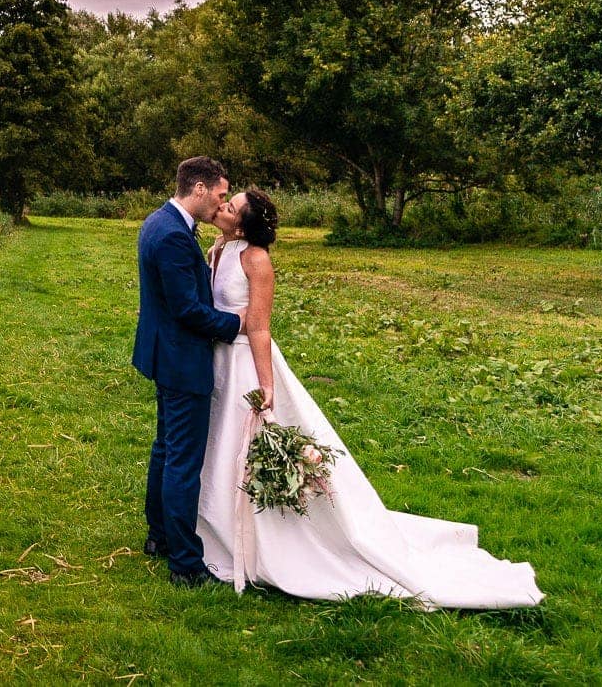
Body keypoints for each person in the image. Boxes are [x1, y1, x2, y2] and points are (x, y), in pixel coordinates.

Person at [194, 188, 543, 607]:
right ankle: (211, 527)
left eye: (231, 207)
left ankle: (262, 540)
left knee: (242, 446)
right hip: (217, 360)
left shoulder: (256, 259)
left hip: (247, 364)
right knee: (217, 446)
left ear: (244, 224)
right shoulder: (220, 248)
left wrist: (266, 387)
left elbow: (260, 328)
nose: (223, 207)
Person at [133, 155, 245, 585]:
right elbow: (189, 311)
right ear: (198, 189)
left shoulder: (159, 221)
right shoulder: (174, 237)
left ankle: (159, 535)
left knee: (165, 449)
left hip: (164, 354)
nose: (221, 203)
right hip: (182, 360)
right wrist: (238, 323)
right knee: (182, 459)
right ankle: (184, 563)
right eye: (219, 194)